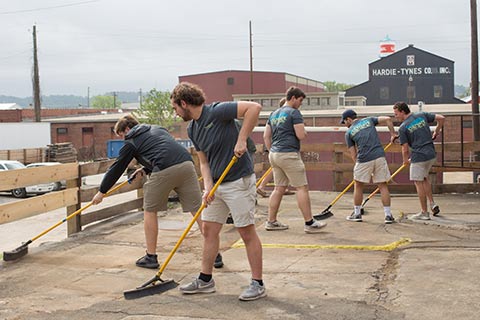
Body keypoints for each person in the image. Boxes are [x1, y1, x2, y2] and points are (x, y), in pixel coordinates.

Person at [171, 82, 266, 301]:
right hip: (217, 186)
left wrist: (242, 139)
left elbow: (254, 108)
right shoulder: (193, 128)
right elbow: (203, 162)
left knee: (246, 232)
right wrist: (207, 187)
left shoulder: (216, 111)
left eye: (175, 108)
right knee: (209, 231)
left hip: (238, 181)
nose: (176, 113)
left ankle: (257, 283)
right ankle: (205, 280)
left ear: (184, 103)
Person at [91, 114, 225, 269]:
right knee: (197, 210)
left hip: (164, 170)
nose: (123, 140)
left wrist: (102, 191)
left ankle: (151, 256)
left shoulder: (131, 141)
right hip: (187, 165)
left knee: (150, 210)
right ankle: (215, 253)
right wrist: (146, 168)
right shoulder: (157, 128)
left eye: (122, 136)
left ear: (127, 129)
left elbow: (117, 167)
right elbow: (164, 149)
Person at [263, 86, 327, 233]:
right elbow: (300, 135)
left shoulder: (273, 114)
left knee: (278, 188)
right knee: (301, 187)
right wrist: (304, 132)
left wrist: (271, 149)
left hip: (274, 154)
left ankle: (271, 221)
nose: (300, 104)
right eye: (300, 100)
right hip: (289, 154)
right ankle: (309, 223)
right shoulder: (294, 113)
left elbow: (266, 136)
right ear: (293, 98)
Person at [340, 109, 397, 224]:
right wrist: (392, 134)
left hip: (364, 159)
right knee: (382, 185)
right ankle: (388, 215)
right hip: (379, 156)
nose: (345, 125)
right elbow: (388, 119)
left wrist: (360, 166)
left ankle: (357, 214)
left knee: (358, 185)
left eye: (344, 122)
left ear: (349, 119)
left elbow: (353, 154)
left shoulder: (349, 133)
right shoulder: (369, 120)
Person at [393, 101, 445, 220]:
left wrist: (405, 160)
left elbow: (405, 149)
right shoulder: (421, 115)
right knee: (424, 178)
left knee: (418, 182)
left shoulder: (403, 127)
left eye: (396, 114)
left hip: (419, 157)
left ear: (402, 112)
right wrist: (437, 131)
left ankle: (424, 212)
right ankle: (432, 204)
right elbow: (441, 118)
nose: (395, 116)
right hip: (431, 155)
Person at [256, 98, 295, 198]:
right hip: (282, 147)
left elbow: (266, 135)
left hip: (274, 145)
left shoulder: (274, 116)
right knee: (277, 167)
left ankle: (280, 187)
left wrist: (270, 150)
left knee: (277, 167)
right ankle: (262, 186)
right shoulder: (287, 116)